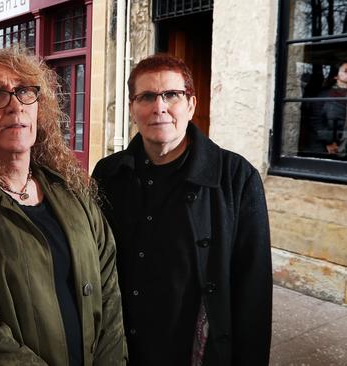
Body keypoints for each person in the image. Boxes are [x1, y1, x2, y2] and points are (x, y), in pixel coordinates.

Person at [0, 47, 127, 365]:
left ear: (39, 108)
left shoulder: (69, 187)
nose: (15, 105)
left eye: (25, 92)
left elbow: (110, 293)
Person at [92, 54, 272, 366]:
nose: (158, 107)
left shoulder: (236, 178)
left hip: (197, 353)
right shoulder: (108, 175)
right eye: (146, 96)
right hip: (123, 349)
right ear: (132, 108)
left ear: (190, 104)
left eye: (171, 95)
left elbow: (253, 290)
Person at [308, 61, 347, 158]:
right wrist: (329, 142)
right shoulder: (324, 95)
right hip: (325, 146)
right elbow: (316, 120)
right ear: (336, 76)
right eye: (346, 71)